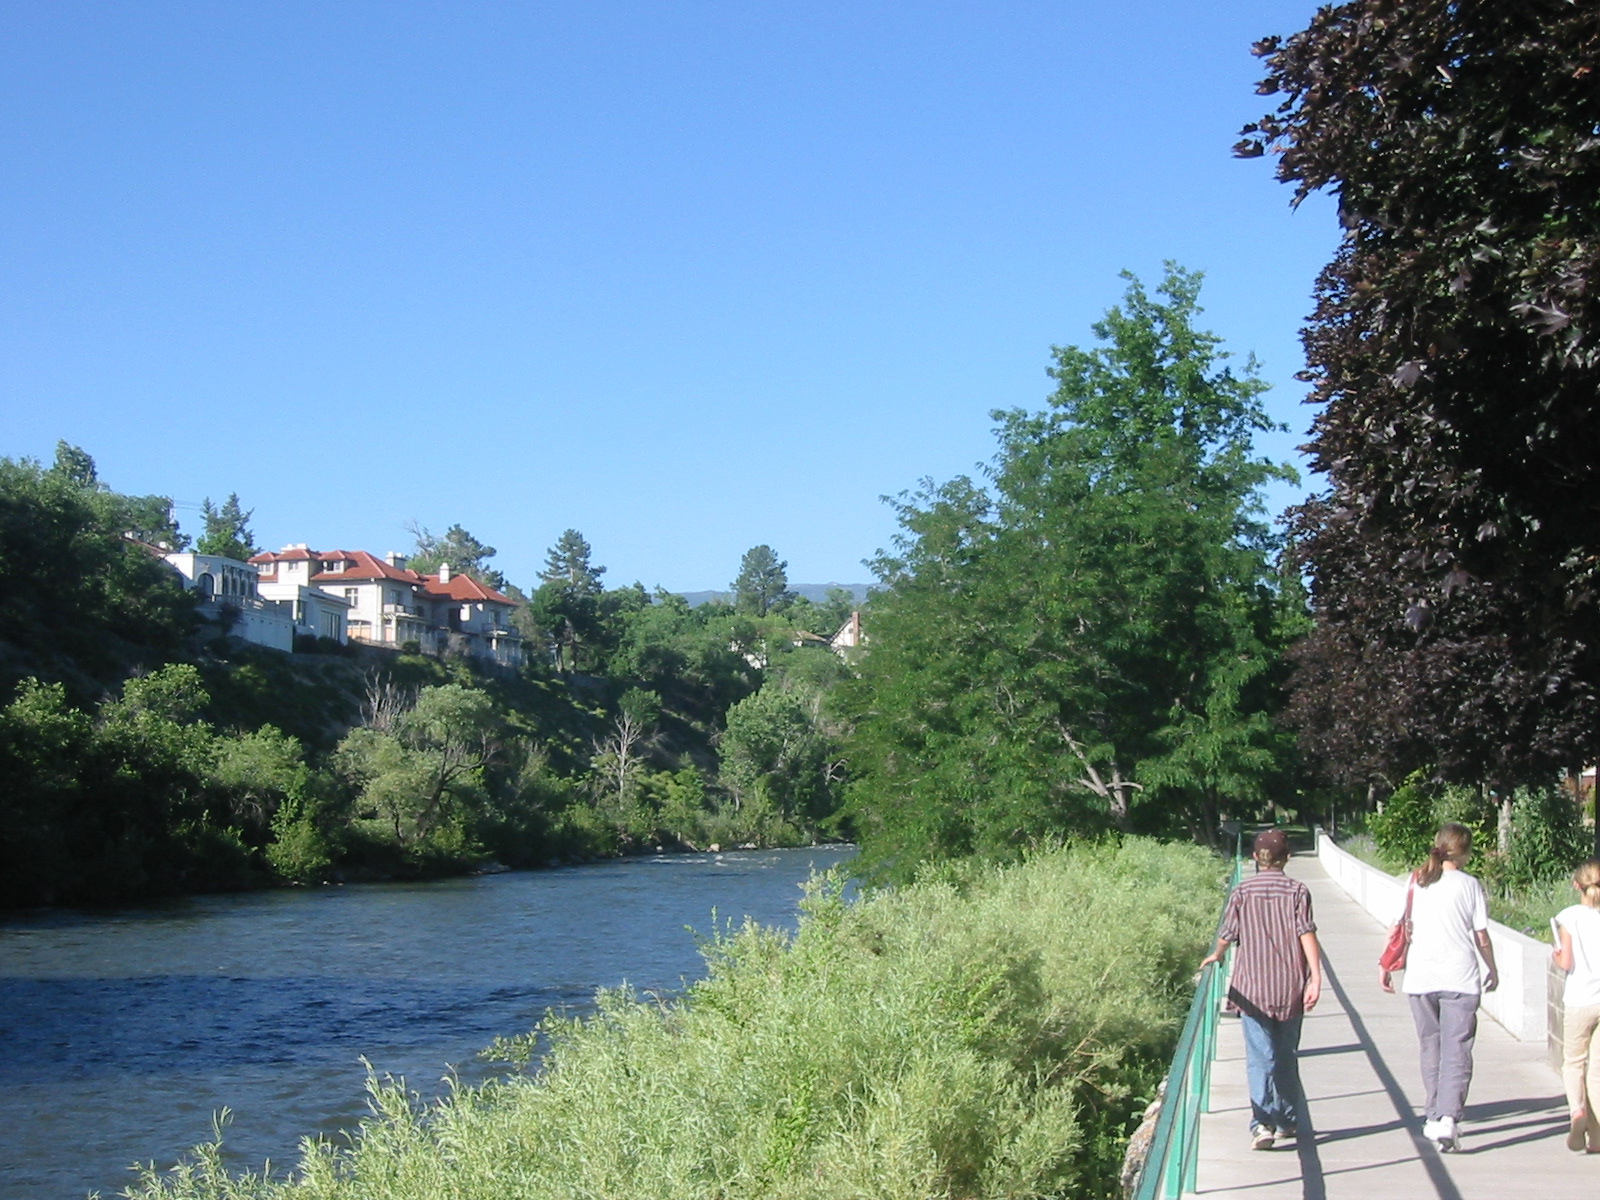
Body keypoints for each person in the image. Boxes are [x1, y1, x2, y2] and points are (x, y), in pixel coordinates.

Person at [1200, 828, 1322, 1151]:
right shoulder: (1298, 891)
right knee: (1284, 1055)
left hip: (1251, 989)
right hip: (1289, 988)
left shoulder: (1241, 892)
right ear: (1288, 858)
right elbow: (1307, 934)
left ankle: (1262, 1123)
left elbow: (1227, 932)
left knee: (1259, 1057)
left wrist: (1218, 953)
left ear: (1255, 858)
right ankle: (1286, 1119)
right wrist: (1316, 979)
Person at [1379, 821, 1498, 1153]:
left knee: (1430, 1046)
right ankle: (1447, 1118)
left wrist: (1384, 966)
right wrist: (1493, 968)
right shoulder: (1469, 885)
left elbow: (1395, 926)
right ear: (1465, 852)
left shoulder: (1416, 881)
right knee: (1457, 1049)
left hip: (1420, 978)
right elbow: (1482, 936)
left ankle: (1433, 1115)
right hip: (1460, 977)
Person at [1552, 858, 1600, 1153]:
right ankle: (1596, 1138)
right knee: (1597, 1070)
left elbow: (1566, 962)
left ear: (1576, 886)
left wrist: (1556, 955)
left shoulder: (1569, 916)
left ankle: (1576, 1111)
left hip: (1580, 1000)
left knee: (1574, 1062)